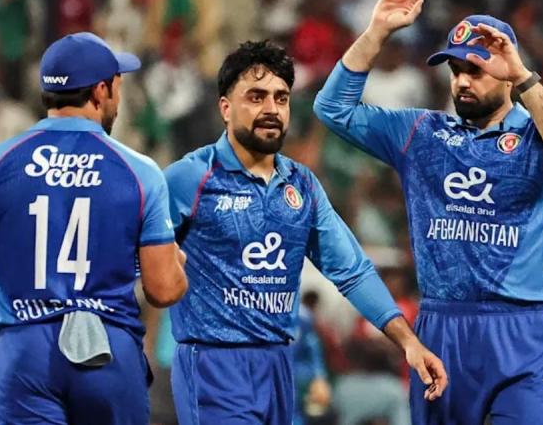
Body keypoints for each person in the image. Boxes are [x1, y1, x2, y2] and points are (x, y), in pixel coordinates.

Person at [313, 0, 543, 424]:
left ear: (505, 72)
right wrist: (377, 32)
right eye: (455, 70)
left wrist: (523, 77)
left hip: (523, 331)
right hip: (442, 330)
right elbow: (333, 109)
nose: (462, 81)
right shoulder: (422, 133)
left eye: (475, 71)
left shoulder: (540, 137)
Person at [165, 39, 447, 425]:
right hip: (214, 364)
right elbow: (135, 258)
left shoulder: (302, 185)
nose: (271, 109)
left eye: (280, 98)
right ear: (225, 108)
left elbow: (352, 271)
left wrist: (408, 342)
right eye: (256, 97)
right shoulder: (189, 178)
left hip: (280, 364)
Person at [0, 32, 188, 425]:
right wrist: (178, 266)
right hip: (107, 349)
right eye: (117, 86)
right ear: (101, 91)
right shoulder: (139, 171)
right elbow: (162, 289)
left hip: (23, 347)